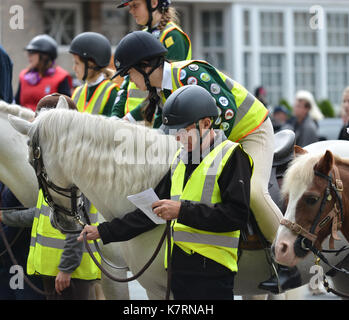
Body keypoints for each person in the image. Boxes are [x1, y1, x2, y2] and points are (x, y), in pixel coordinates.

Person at [111, 30, 301, 293]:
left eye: (129, 74)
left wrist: (199, 157)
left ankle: (288, 266)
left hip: (250, 131)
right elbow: (150, 120)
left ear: (145, 66)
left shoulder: (190, 73)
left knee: (255, 192)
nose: (130, 82)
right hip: (222, 139)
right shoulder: (161, 90)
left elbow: (227, 113)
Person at [79, 85, 253, 299]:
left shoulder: (232, 156)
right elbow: (151, 211)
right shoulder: (179, 160)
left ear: (206, 124)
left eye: (182, 132)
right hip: (179, 270)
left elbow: (236, 216)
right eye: (174, 133)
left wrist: (182, 211)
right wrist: (104, 231)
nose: (177, 139)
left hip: (212, 274)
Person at [0, 94, 102, 300]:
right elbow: (40, 213)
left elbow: (78, 223)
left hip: (69, 273)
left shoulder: (77, 168)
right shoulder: (54, 168)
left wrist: (66, 268)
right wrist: (5, 217)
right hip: (55, 272)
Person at [111, 0, 192, 120]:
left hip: (155, 121)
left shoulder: (173, 37)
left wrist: (132, 117)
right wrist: (116, 115)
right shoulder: (141, 36)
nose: (131, 11)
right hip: (133, 122)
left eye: (135, 5)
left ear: (153, 3)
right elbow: (126, 81)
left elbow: (168, 89)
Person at [16, 34, 72, 111]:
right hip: (24, 120)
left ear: (44, 56)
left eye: (32, 52)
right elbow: (17, 103)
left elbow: (66, 108)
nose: (28, 56)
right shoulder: (23, 75)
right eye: (28, 52)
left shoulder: (61, 77)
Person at [69, 32, 118, 116]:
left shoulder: (111, 92)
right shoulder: (77, 92)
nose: (74, 68)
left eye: (77, 63)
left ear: (91, 65)